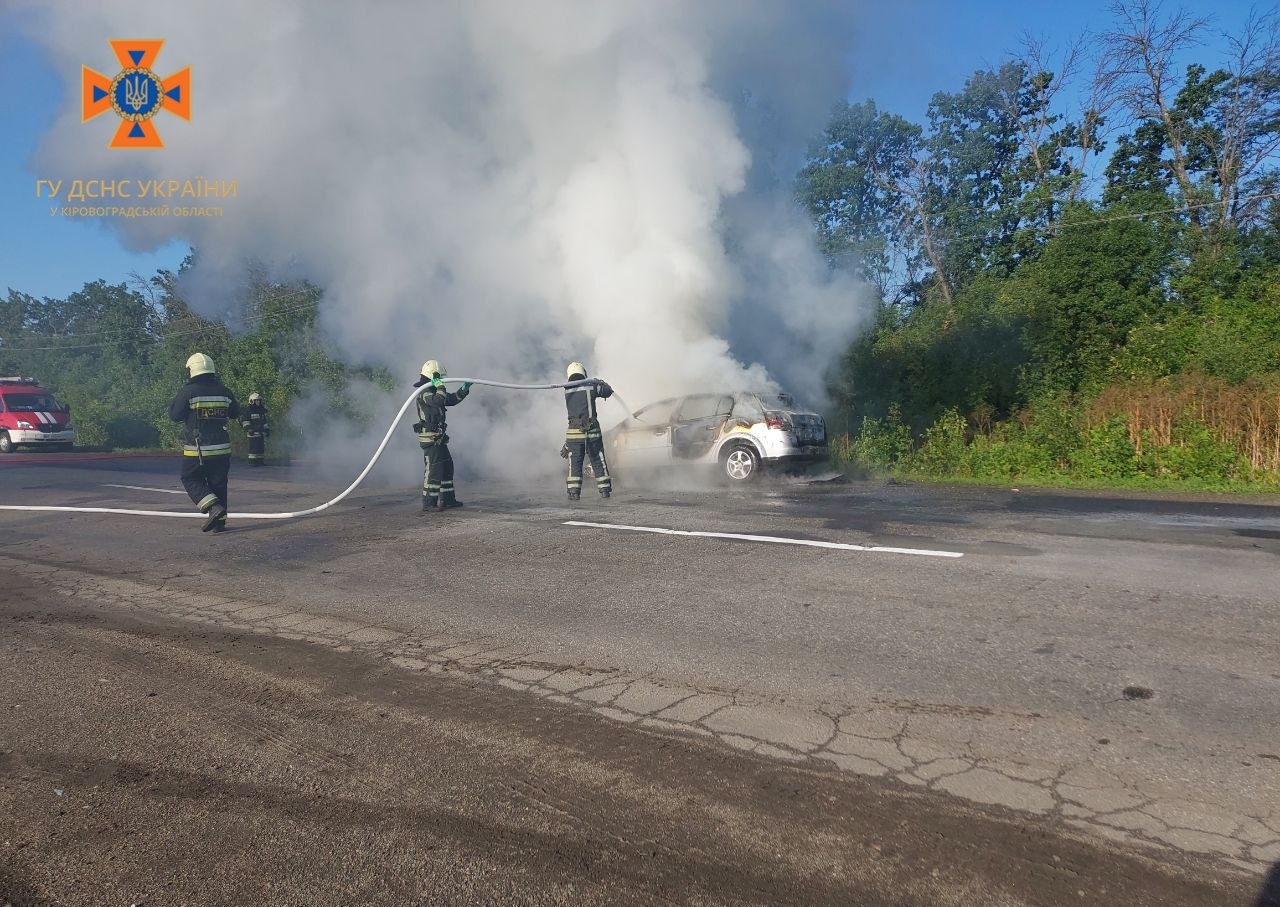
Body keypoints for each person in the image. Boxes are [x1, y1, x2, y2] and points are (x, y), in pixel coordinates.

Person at [169, 353, 239, 532]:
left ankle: (213, 507)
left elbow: (175, 416)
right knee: (219, 483)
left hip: (198, 448)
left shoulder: (189, 391)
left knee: (190, 477)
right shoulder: (224, 391)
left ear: (192, 369)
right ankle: (220, 522)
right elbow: (235, 413)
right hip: (222, 448)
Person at [413, 359, 471, 511]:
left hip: (439, 438)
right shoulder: (425, 392)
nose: (442, 380)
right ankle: (428, 503)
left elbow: (449, 400)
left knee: (446, 466)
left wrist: (463, 390)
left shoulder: (433, 390)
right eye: (440, 378)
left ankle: (448, 499)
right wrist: (440, 386)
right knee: (434, 470)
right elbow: (439, 401)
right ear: (433, 376)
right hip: (431, 439)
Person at [562, 361, 613, 500]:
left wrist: (568, 444)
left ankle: (573, 493)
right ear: (583, 372)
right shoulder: (591, 387)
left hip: (574, 433)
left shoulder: (567, 390)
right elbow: (608, 392)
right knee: (597, 459)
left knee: (575, 462)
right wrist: (601, 383)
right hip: (592, 431)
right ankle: (604, 491)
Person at [241, 392, 270, 466]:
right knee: (253, 449)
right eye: (256, 400)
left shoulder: (261, 410)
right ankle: (252, 462)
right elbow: (245, 422)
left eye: (259, 400)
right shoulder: (248, 410)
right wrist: (249, 429)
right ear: (251, 401)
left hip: (261, 433)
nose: (258, 402)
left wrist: (267, 430)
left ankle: (260, 461)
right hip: (253, 433)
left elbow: (264, 422)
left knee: (260, 448)